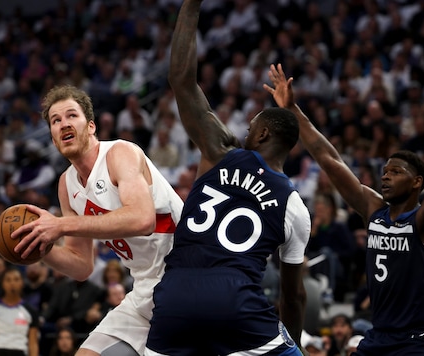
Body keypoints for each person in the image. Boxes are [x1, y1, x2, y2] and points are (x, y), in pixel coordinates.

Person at [265, 57, 424, 354]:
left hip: (420, 340)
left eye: (396, 172)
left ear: (417, 182)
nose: (385, 176)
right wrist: (292, 110)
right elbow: (329, 158)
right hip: (380, 336)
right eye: (385, 171)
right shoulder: (373, 209)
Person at [144, 0, 311, 354]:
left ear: (263, 135)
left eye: (252, 127)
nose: (245, 131)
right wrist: (289, 342)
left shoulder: (221, 152)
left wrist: (191, 5)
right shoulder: (294, 204)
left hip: (176, 295)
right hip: (237, 303)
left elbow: (181, 79)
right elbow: (293, 296)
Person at [10, 85, 184, 356]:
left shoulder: (120, 154)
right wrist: (40, 249)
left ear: (91, 126)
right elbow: (81, 267)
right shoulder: (66, 185)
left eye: (71, 116)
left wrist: (60, 225)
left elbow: (142, 219)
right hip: (144, 288)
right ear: (54, 139)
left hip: (184, 279)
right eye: (56, 121)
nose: (64, 123)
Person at [0, 267, 39, 356]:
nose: (12, 283)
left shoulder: (30, 312)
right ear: (2, 284)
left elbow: (33, 344)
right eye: (8, 280)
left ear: (22, 283)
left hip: (18, 351)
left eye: (16, 279)